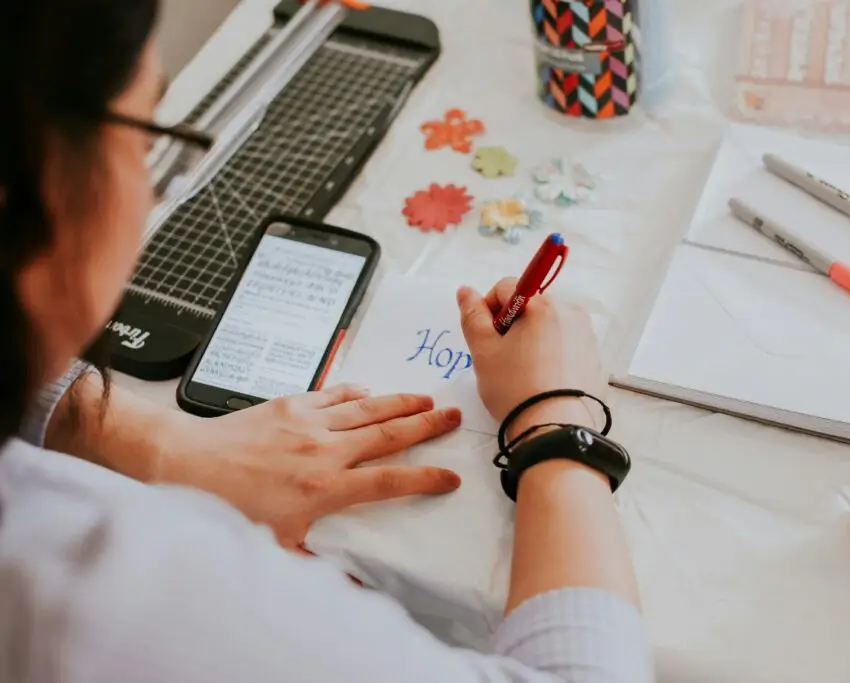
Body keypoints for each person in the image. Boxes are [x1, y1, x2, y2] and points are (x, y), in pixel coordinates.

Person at [0, 1, 652, 681]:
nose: (151, 189)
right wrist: (556, 417)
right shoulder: (110, 588)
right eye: (146, 145)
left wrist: (144, 438)